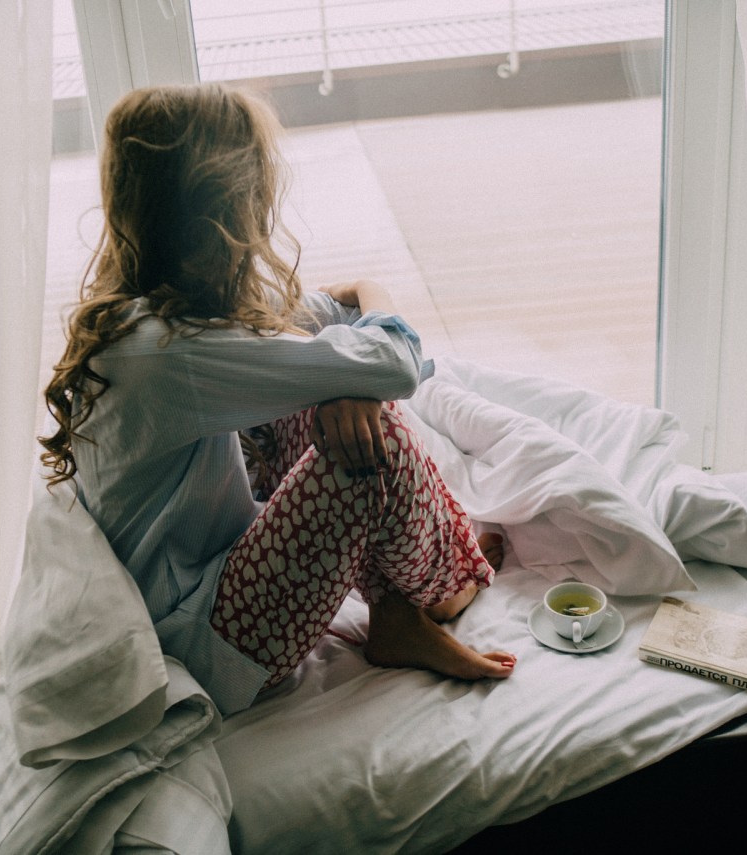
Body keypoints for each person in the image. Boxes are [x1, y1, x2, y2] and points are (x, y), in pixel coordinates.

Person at [40, 82, 515, 716]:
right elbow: (393, 362)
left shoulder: (157, 310)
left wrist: (352, 342)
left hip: (210, 587)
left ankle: (401, 609)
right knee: (377, 431)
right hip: (205, 643)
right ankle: (437, 592)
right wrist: (361, 348)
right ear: (229, 204)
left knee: (333, 397)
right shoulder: (164, 353)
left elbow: (329, 312)